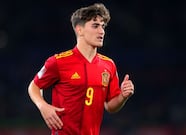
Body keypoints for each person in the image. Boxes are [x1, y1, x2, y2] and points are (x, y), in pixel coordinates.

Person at [28, 3, 135, 135]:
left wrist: (123, 97)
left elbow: (110, 106)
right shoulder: (58, 61)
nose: (101, 31)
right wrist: (43, 106)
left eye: (103, 26)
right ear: (80, 30)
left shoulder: (108, 65)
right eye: (95, 26)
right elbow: (34, 86)